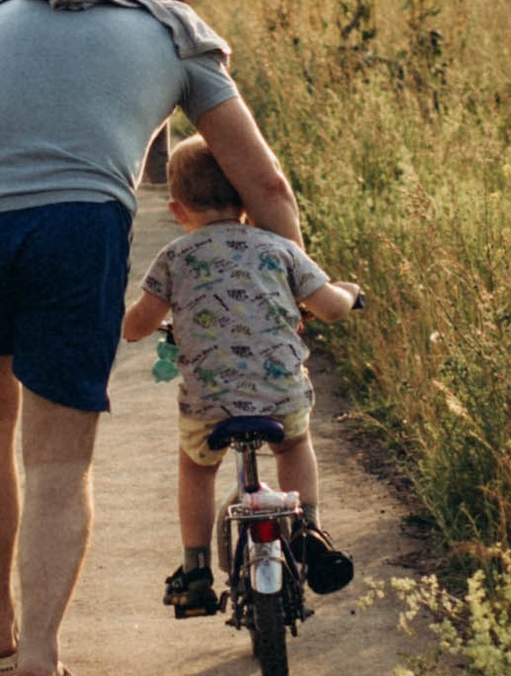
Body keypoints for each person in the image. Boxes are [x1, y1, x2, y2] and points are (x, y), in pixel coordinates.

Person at [0, 0, 306, 676]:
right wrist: (285, 294)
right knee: (58, 455)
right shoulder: (169, 27)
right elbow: (264, 187)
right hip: (73, 221)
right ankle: (39, 667)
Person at [121, 132, 361, 613]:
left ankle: (194, 568)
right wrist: (350, 292)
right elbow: (330, 308)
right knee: (293, 444)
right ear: (248, 201)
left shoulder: (174, 258)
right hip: (280, 396)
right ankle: (308, 528)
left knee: (196, 467)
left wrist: (127, 318)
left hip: (209, 408)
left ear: (177, 210)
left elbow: (136, 327)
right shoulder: (279, 249)